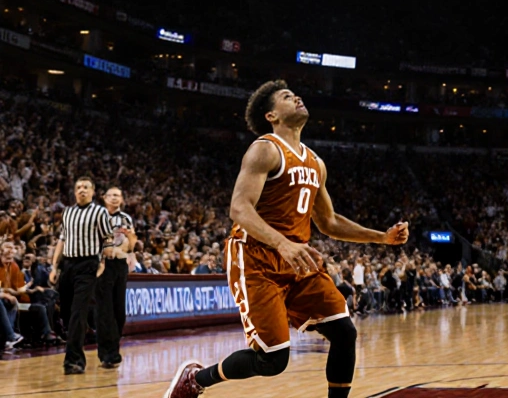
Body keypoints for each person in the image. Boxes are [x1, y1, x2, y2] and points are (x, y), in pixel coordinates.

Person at [164, 80, 410, 398]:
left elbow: (329, 221)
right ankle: (196, 380)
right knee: (272, 360)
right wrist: (282, 242)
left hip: (298, 261)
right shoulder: (265, 149)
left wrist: (381, 238)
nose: (296, 97)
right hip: (255, 256)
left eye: (295, 94)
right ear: (271, 116)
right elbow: (239, 208)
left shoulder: (315, 163)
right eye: (285, 97)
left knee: (344, 331)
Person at [49, 176, 115, 374]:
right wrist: (54, 266)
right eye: (78, 187)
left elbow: (108, 238)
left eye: (86, 187)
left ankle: (74, 361)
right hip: (68, 265)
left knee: (78, 312)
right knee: (68, 313)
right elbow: (62, 240)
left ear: (93, 191)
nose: (82, 190)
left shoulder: (100, 211)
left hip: (88, 264)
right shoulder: (68, 212)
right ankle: (81, 337)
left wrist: (103, 262)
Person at [95, 186, 135, 369]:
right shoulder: (96, 216)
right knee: (105, 310)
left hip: (120, 265)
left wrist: (129, 247)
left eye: (117, 195)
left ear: (122, 199)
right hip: (102, 264)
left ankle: (112, 348)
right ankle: (108, 353)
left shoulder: (126, 218)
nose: (114, 198)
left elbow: (131, 242)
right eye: (111, 195)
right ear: (104, 198)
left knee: (119, 311)